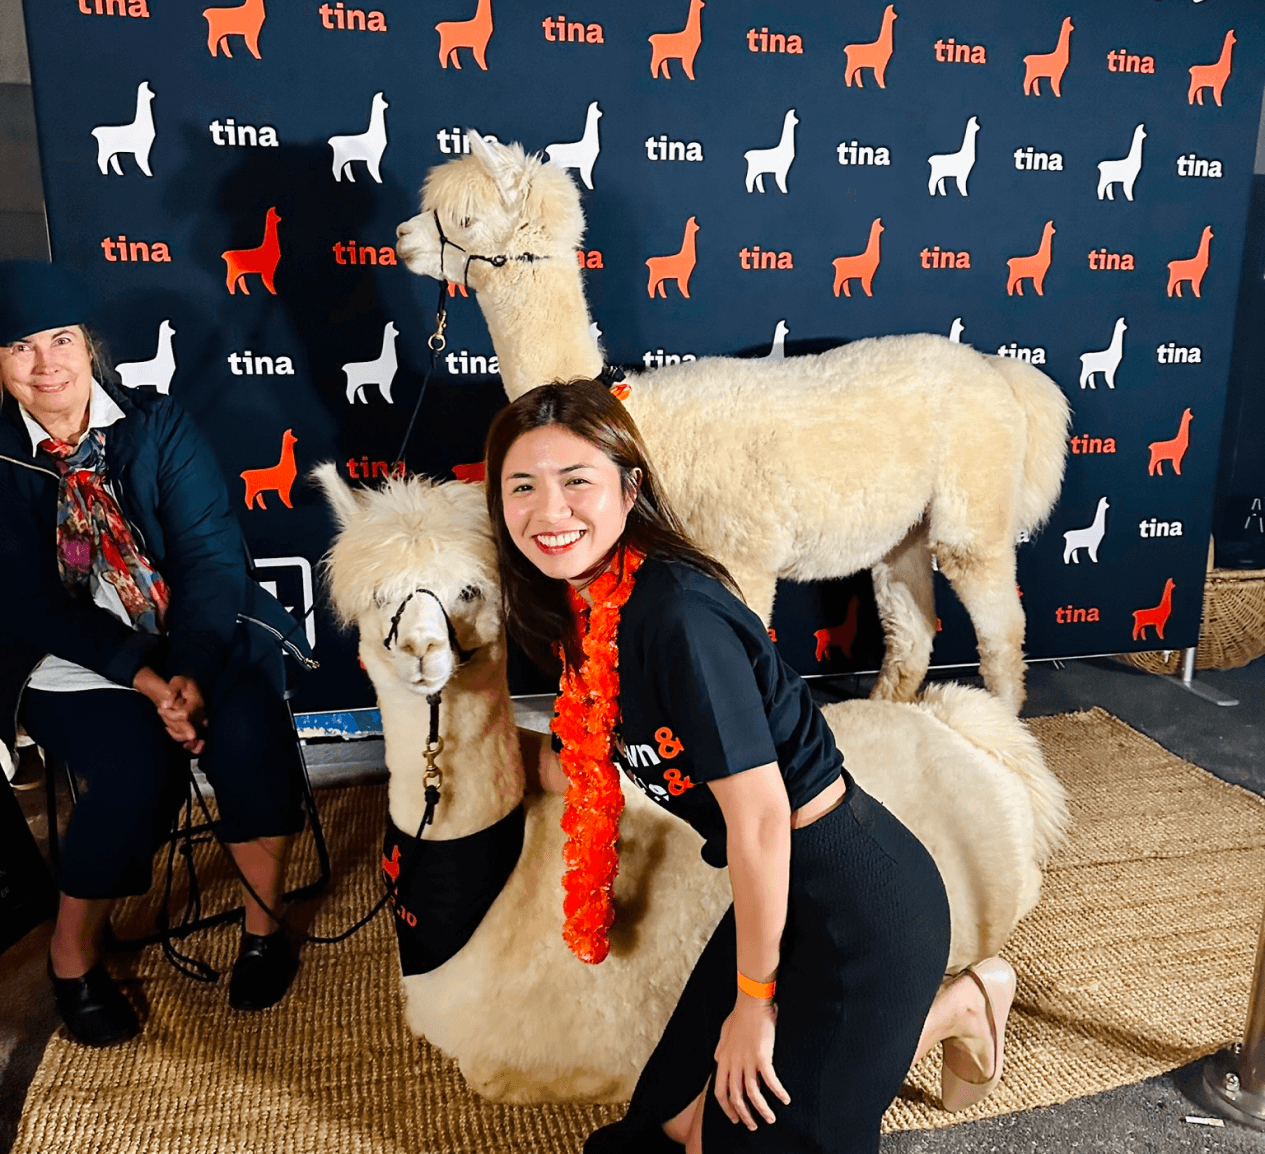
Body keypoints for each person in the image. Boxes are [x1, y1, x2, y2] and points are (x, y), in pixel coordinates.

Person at [486, 379, 1018, 1154]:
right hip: (781, 897)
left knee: (751, 1135)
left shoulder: (677, 620)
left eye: (577, 482)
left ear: (629, 489)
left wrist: (752, 1003)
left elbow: (762, 821)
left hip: (858, 909)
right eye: (521, 486)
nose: (549, 511)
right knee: (667, 1125)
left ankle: (960, 1003)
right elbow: (586, 753)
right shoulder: (584, 604)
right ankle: (901, 1034)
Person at [0, 262, 315, 1046]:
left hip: (196, 637)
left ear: (89, 346)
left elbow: (212, 560)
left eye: (62, 340)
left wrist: (190, 673)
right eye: (21, 347)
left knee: (247, 734)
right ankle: (72, 958)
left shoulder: (157, 422)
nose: (47, 365)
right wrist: (143, 679)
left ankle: (262, 930)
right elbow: (31, 605)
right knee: (138, 768)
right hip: (72, 660)